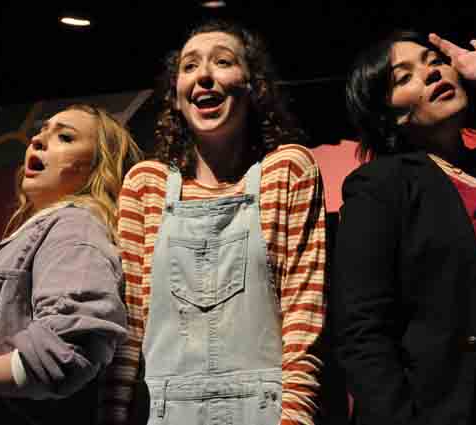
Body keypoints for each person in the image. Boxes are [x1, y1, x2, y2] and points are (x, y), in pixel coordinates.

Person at [332, 29, 476, 425]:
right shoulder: (381, 187)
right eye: (404, 77)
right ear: (389, 113)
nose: (432, 73)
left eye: (436, 62)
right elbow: (362, 332)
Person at [104, 19, 327, 425]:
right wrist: (114, 416)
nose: (204, 76)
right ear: (175, 97)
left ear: (253, 87)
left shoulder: (288, 170)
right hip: (161, 412)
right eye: (189, 66)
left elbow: (304, 316)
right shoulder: (146, 185)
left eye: (222, 62)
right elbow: (130, 325)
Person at [0, 104, 144, 425]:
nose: (38, 140)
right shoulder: (42, 231)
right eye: (41, 132)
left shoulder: (75, 226)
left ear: (98, 166)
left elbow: (72, 346)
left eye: (65, 137)